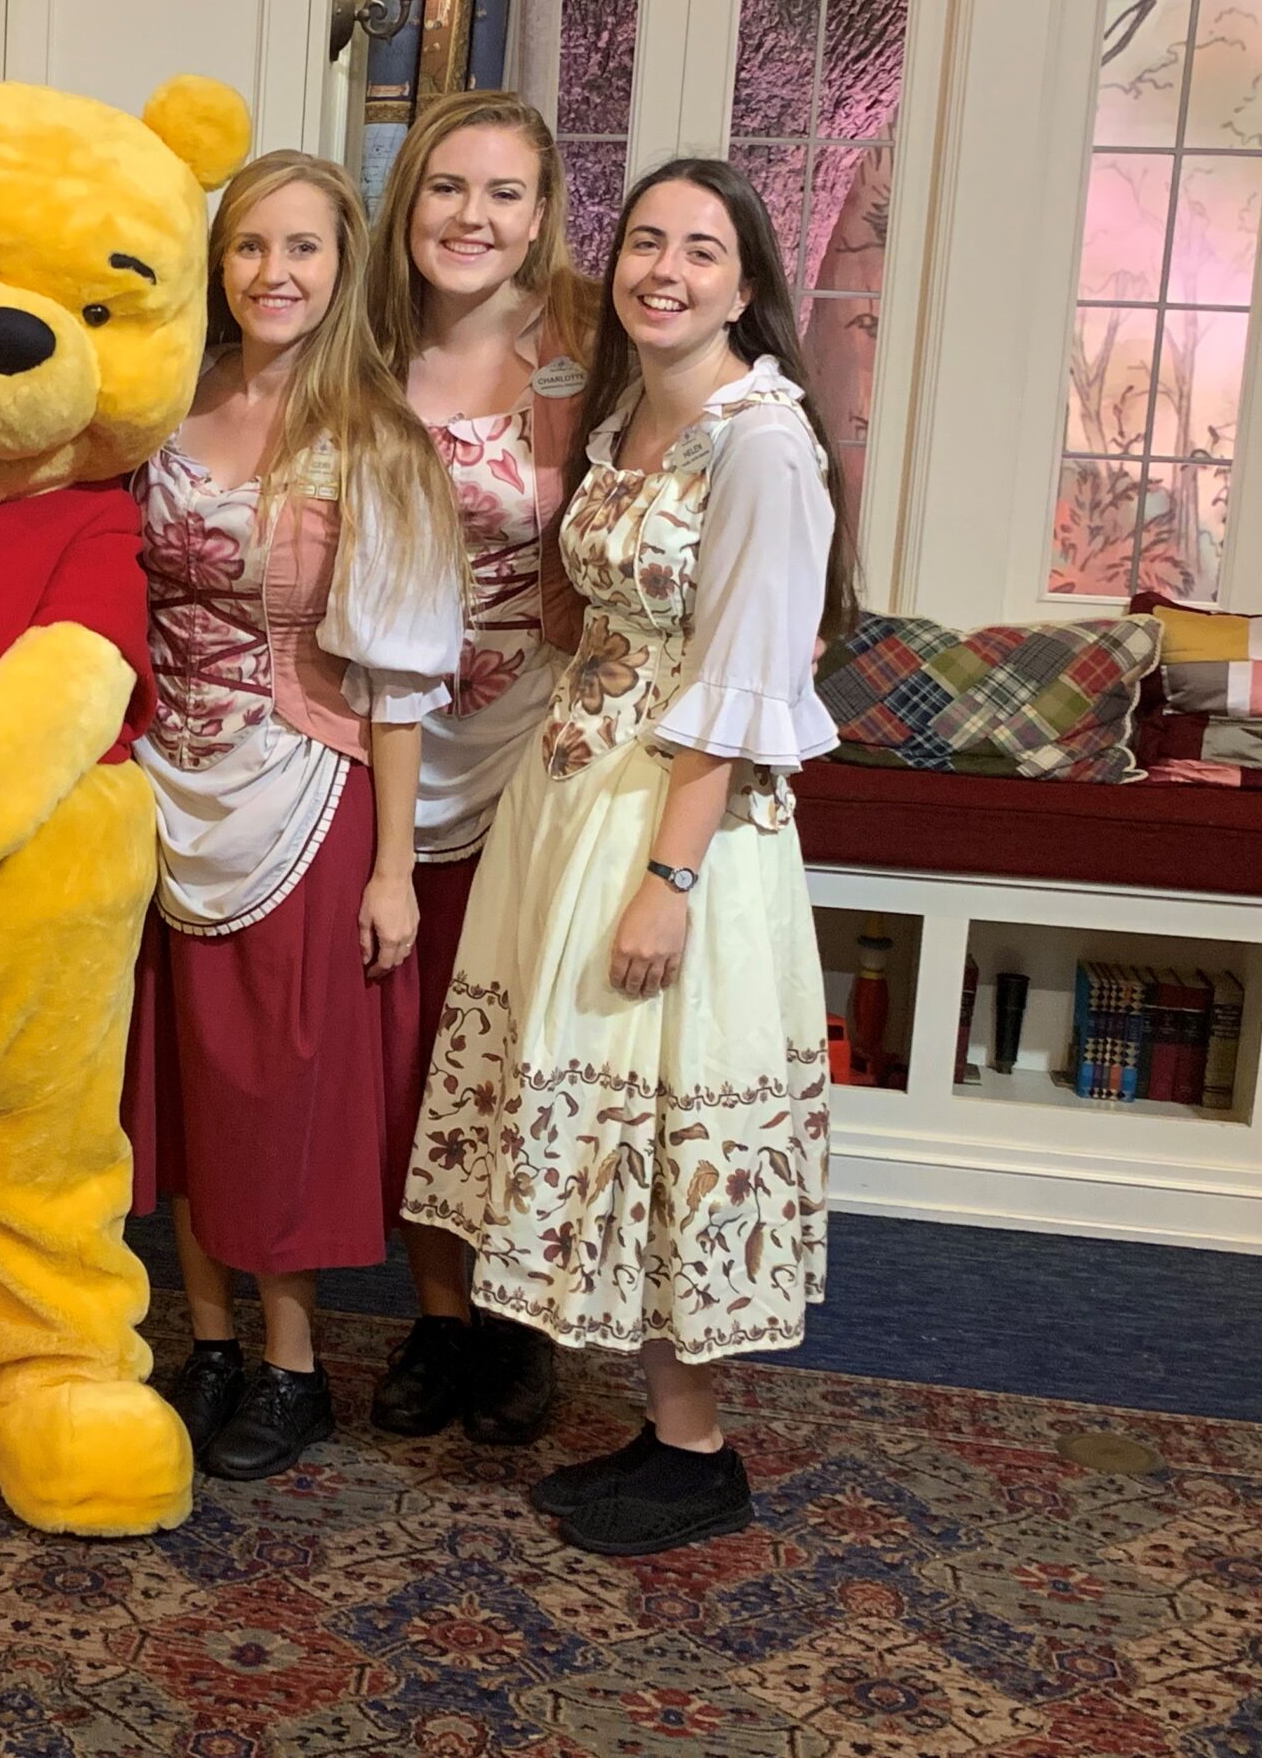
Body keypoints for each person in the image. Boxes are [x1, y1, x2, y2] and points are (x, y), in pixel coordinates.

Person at [403, 156, 855, 1556]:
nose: (665, 269)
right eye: (647, 241)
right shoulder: (625, 419)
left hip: (680, 822)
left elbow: (743, 678)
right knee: (609, 1109)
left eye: (701, 251)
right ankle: (660, 1428)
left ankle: (698, 1448)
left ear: (747, 283)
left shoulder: (761, 441)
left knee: (670, 1114)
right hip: (572, 796)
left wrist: (669, 882)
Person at [124, 150, 465, 1480]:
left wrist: (392, 871)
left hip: (305, 787)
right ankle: (207, 1341)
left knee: (281, 1084)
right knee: (188, 1077)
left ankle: (291, 1363)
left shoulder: (372, 436)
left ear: (344, 266)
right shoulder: (171, 400)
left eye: (305, 250)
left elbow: (395, 681)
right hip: (166, 782)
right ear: (220, 263)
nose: (276, 274)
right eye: (252, 248)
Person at [362, 91, 597, 1449]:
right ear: (411, 202)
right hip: (377, 740)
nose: (471, 217)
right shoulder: (361, 351)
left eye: (504, 194)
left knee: (520, 1042)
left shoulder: (584, 355)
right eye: (448, 187)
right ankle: (438, 1316)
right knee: (408, 1052)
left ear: (541, 214)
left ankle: (521, 1325)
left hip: (541, 745)